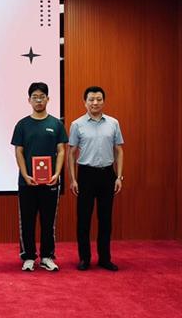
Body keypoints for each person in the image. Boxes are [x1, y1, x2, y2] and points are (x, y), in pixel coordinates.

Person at [11, 82, 68, 272]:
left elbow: (61, 150)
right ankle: (28, 256)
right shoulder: (22, 125)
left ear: (48, 99)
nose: (38, 100)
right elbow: (19, 151)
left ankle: (46, 256)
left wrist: (57, 174)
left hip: (50, 182)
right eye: (35, 97)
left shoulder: (56, 124)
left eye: (42, 97)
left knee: (48, 221)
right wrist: (25, 174)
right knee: (27, 221)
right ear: (29, 100)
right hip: (27, 182)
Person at [68, 86, 124, 271]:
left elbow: (119, 150)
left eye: (99, 99)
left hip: (108, 174)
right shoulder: (77, 124)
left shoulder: (113, 123)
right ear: (85, 102)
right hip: (86, 175)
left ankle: (105, 258)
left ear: (103, 101)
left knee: (105, 219)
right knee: (84, 219)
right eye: (91, 99)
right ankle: (84, 258)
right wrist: (73, 179)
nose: (95, 103)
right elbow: (71, 153)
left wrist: (119, 176)